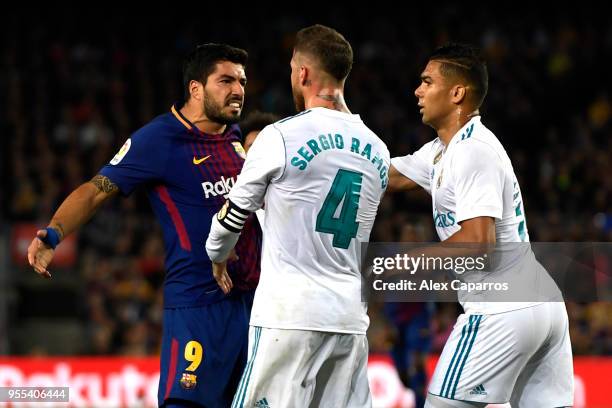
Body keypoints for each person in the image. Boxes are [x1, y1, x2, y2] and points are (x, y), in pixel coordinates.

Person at [27, 43, 262, 408]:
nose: (238, 90)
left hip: (251, 307)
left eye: (242, 81)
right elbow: (95, 191)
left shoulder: (236, 139)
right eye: (226, 80)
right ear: (195, 88)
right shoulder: (158, 140)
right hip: (197, 306)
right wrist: (54, 233)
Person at [206, 24, 390, 407]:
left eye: (293, 68)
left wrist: (216, 256)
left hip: (288, 316)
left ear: (303, 72)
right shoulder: (378, 150)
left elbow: (231, 215)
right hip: (349, 321)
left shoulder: (280, 136)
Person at [388, 44, 574, 407]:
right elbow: (389, 176)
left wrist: (407, 261)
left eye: (427, 82)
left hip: (501, 307)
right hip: (541, 304)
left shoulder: (473, 150)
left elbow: (477, 242)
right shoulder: (442, 151)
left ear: (457, 93)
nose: (418, 91)